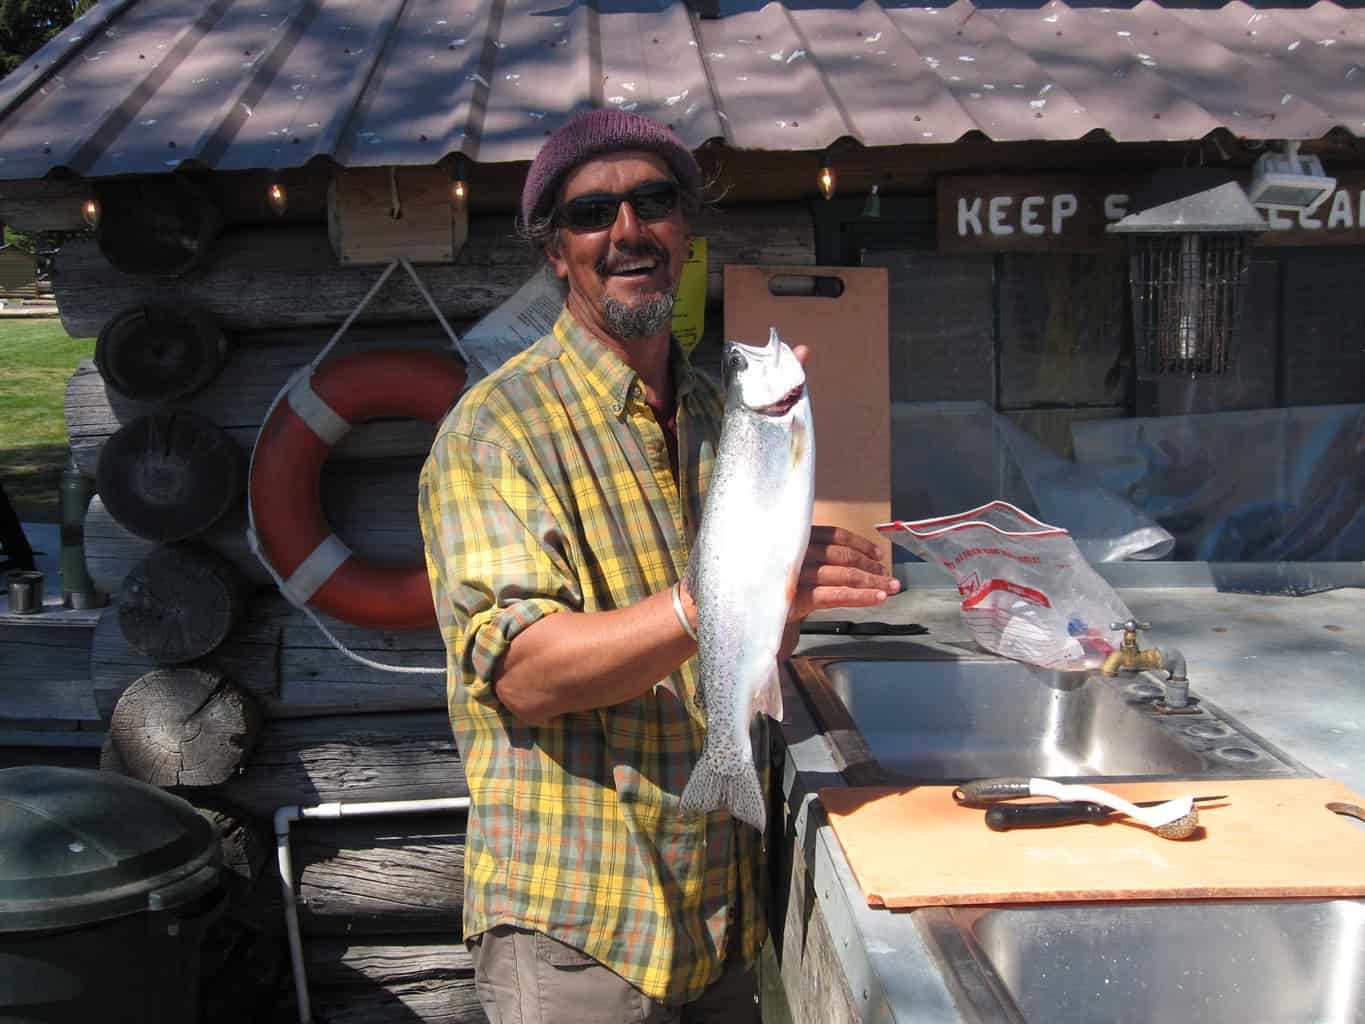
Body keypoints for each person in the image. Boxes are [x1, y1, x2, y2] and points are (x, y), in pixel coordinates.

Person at [418, 109, 899, 1023]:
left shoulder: (728, 415)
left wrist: (779, 605)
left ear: (685, 233)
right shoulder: (494, 431)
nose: (627, 231)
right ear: (556, 252)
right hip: (582, 926)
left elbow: (730, 641)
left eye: (653, 202)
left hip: (718, 906)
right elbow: (522, 674)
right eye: (592, 213)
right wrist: (706, 603)